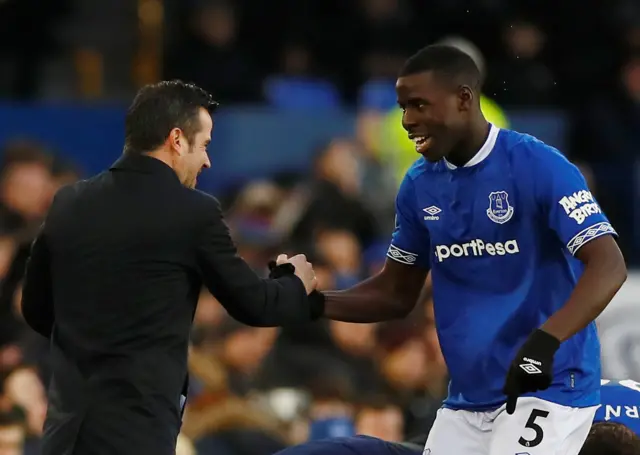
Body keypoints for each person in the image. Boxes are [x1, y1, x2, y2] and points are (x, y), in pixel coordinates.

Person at [300, 44, 627, 455]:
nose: (407, 121)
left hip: (549, 389)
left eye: (419, 105)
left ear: (463, 99)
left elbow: (609, 264)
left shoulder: (538, 164)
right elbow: (394, 293)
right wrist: (311, 303)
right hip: (467, 402)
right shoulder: (419, 185)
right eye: (403, 107)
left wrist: (546, 342)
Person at [20, 80, 321, 455]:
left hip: (65, 434)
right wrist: (295, 282)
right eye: (205, 145)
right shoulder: (194, 211)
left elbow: (35, 309)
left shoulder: (68, 202)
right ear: (178, 140)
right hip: (136, 436)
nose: (207, 160)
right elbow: (255, 304)